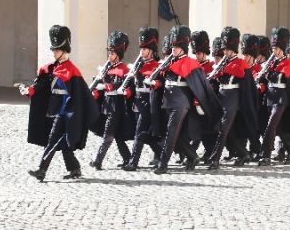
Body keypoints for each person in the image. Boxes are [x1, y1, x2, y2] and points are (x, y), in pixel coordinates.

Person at [22, 25, 99, 181]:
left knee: (54, 140)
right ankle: (74, 169)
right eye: (54, 50)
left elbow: (79, 96)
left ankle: (42, 170)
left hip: (68, 113)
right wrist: (30, 91)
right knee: (59, 142)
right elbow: (42, 86)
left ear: (64, 51)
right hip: (56, 111)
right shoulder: (51, 69)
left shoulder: (72, 71)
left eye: (57, 50)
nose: (54, 52)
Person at [152, 25, 220, 174]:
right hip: (168, 100)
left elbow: (199, 86)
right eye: (172, 46)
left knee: (171, 133)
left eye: (176, 47)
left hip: (180, 102)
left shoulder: (190, 63)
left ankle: (163, 164)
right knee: (175, 134)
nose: (173, 49)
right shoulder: (170, 61)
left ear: (183, 47)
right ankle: (193, 156)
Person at [207, 27, 259, 169]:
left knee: (223, 129)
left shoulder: (239, 63)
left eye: (227, 49)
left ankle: (214, 159)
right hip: (222, 98)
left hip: (233, 99)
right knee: (226, 130)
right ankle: (243, 154)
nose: (225, 52)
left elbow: (240, 74)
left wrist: (223, 69)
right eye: (224, 49)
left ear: (233, 49)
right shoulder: (224, 62)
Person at [256, 27, 290, 166]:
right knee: (279, 129)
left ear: (283, 49)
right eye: (274, 49)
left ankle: (266, 155)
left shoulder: (288, 63)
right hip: (271, 98)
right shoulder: (272, 62)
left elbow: (280, 78)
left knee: (270, 126)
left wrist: (268, 74)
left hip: (281, 99)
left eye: (277, 49)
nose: (275, 52)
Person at [89, 30, 134, 170]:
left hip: (117, 106)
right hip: (107, 105)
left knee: (108, 135)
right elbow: (99, 88)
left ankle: (98, 161)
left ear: (118, 54)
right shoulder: (106, 68)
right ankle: (128, 158)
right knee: (118, 136)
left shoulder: (124, 70)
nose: (110, 55)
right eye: (109, 53)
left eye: (113, 53)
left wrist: (108, 85)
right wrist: (95, 92)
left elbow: (122, 85)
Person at [122, 27, 163, 171]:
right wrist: (127, 89)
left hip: (148, 102)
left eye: (145, 49)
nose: (142, 52)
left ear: (151, 50)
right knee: (145, 135)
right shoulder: (139, 65)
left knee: (139, 133)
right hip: (137, 102)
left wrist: (152, 81)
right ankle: (162, 155)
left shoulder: (157, 66)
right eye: (141, 49)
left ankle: (133, 162)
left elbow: (159, 83)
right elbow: (133, 86)